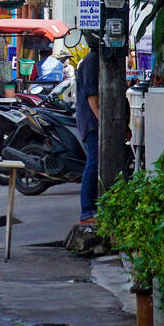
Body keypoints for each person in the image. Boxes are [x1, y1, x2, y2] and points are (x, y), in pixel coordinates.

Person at [75, 37, 100, 224]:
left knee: (96, 163)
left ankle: (93, 208)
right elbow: (92, 97)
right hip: (92, 122)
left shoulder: (98, 59)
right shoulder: (92, 60)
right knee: (93, 163)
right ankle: (87, 211)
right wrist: (103, 119)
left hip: (94, 120)